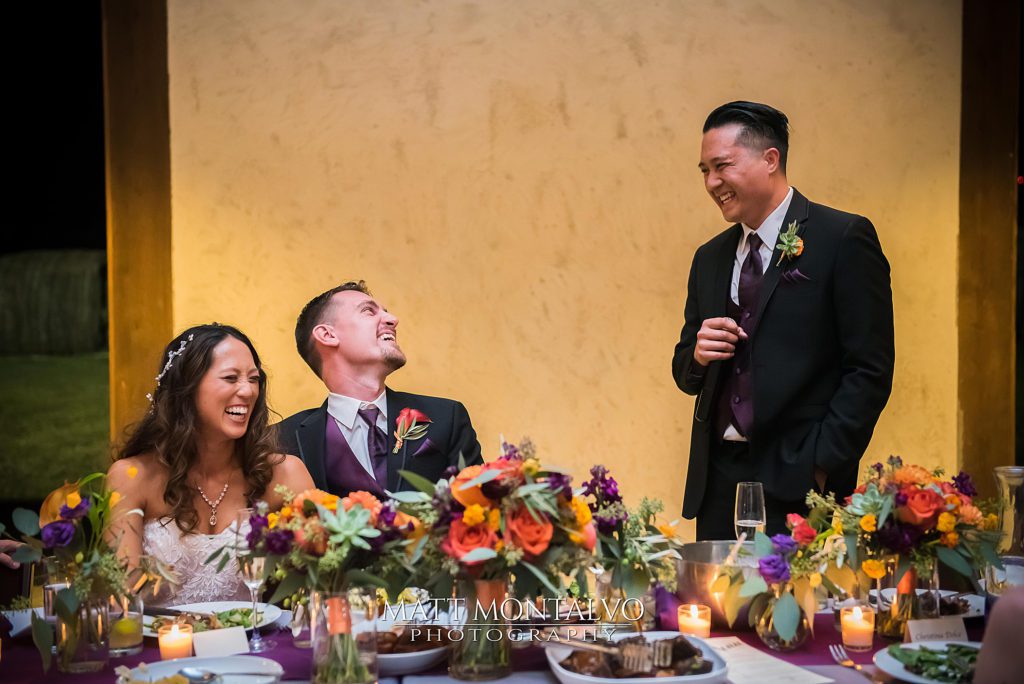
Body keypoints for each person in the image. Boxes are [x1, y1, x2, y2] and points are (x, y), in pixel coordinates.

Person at [672, 101, 894, 541]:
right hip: (717, 483)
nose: (712, 183)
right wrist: (697, 355)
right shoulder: (710, 257)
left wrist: (822, 464)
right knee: (719, 609)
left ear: (770, 160)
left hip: (802, 484)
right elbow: (685, 372)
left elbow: (869, 368)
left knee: (802, 610)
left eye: (722, 166)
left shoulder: (842, 238)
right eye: (704, 170)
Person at [107, 324, 314, 604]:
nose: (248, 391)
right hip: (158, 644)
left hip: (250, 644)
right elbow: (122, 598)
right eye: (230, 378)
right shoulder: (132, 477)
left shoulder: (285, 474)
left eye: (254, 379)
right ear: (187, 389)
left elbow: (322, 582)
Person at [277, 281, 482, 498]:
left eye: (385, 312)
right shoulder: (281, 440)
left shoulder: (446, 417)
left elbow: (482, 511)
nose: (393, 320)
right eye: (368, 311)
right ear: (328, 335)